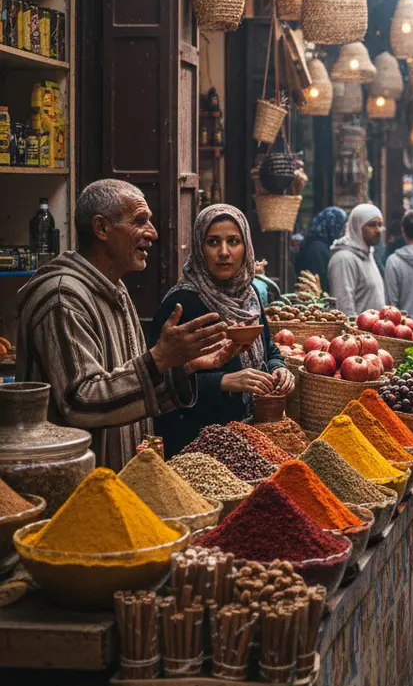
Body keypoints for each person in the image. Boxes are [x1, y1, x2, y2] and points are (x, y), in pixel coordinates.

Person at [16, 180, 232, 469]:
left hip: (116, 481)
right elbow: (80, 402)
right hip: (77, 489)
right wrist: (159, 359)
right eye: (139, 221)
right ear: (102, 228)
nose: (152, 233)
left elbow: (123, 385)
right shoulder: (62, 297)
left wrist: (183, 366)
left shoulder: (114, 290)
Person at [150, 205, 296, 456]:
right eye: (213, 242)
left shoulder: (249, 296)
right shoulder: (181, 304)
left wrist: (278, 367)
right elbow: (161, 381)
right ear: (199, 248)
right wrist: (224, 382)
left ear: (246, 248)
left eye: (234, 241)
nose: (224, 253)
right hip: (197, 445)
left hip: (247, 437)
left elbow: (268, 346)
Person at [327, 204, 386, 318]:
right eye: (372, 225)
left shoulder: (368, 253)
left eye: (380, 225)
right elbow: (343, 308)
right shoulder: (344, 258)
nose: (378, 230)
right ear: (358, 227)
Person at [296, 207, 347, 293]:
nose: (342, 232)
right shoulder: (317, 248)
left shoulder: (323, 244)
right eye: (341, 227)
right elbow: (319, 279)